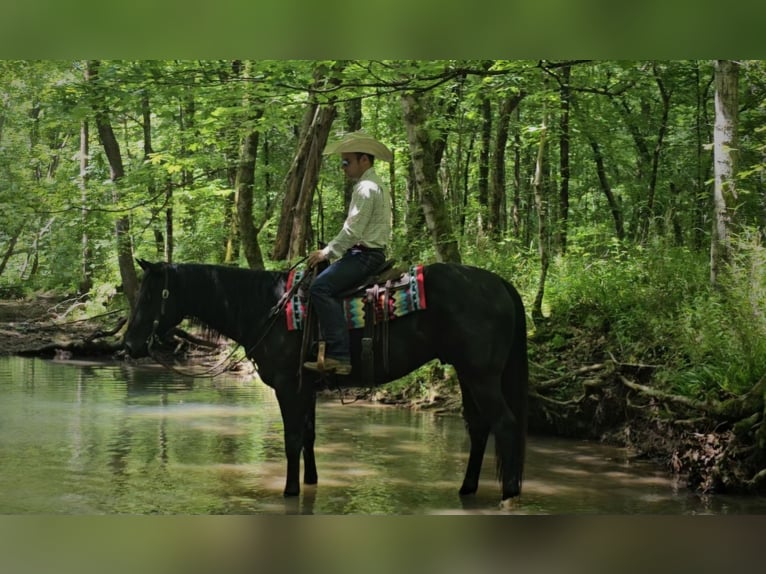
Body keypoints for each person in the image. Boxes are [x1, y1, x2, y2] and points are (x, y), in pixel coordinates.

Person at [303, 131, 393, 376]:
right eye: (342, 162)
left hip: (364, 255)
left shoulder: (365, 188)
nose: (343, 167)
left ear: (364, 160)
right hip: (367, 253)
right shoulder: (376, 185)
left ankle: (339, 355)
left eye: (347, 162)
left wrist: (327, 252)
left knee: (319, 289)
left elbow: (353, 230)